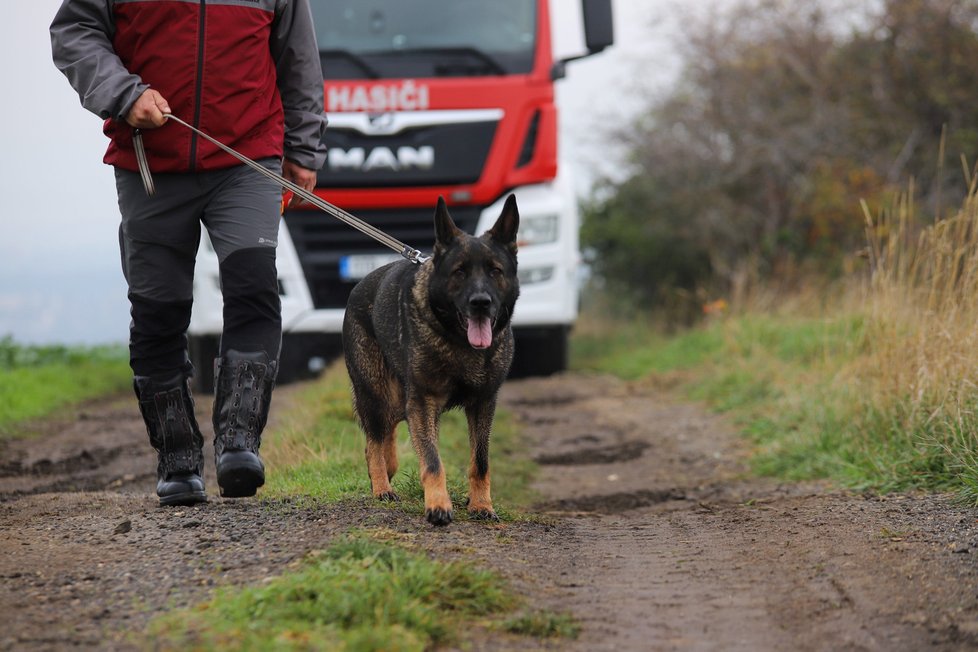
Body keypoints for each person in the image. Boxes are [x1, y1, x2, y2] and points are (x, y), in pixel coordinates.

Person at [50, 0, 328, 506]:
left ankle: (239, 444)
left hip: (248, 157)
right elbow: (74, 31)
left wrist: (304, 149)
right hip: (149, 162)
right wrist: (123, 94)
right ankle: (177, 458)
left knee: (253, 288)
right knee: (158, 310)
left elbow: (298, 57)